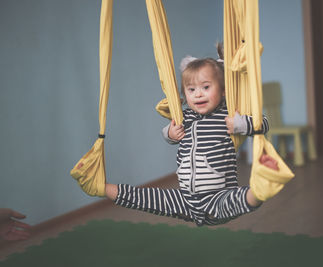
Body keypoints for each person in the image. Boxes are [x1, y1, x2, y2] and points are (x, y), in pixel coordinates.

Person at [101, 44, 278, 226]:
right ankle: (101, 187)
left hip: (219, 197)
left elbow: (263, 124)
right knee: (145, 198)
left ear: (223, 90)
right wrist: (170, 133)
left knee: (242, 198)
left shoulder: (228, 114)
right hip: (186, 199)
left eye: (206, 87)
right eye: (191, 90)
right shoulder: (185, 116)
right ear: (185, 93)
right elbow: (168, 135)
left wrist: (240, 124)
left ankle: (261, 188)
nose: (198, 94)